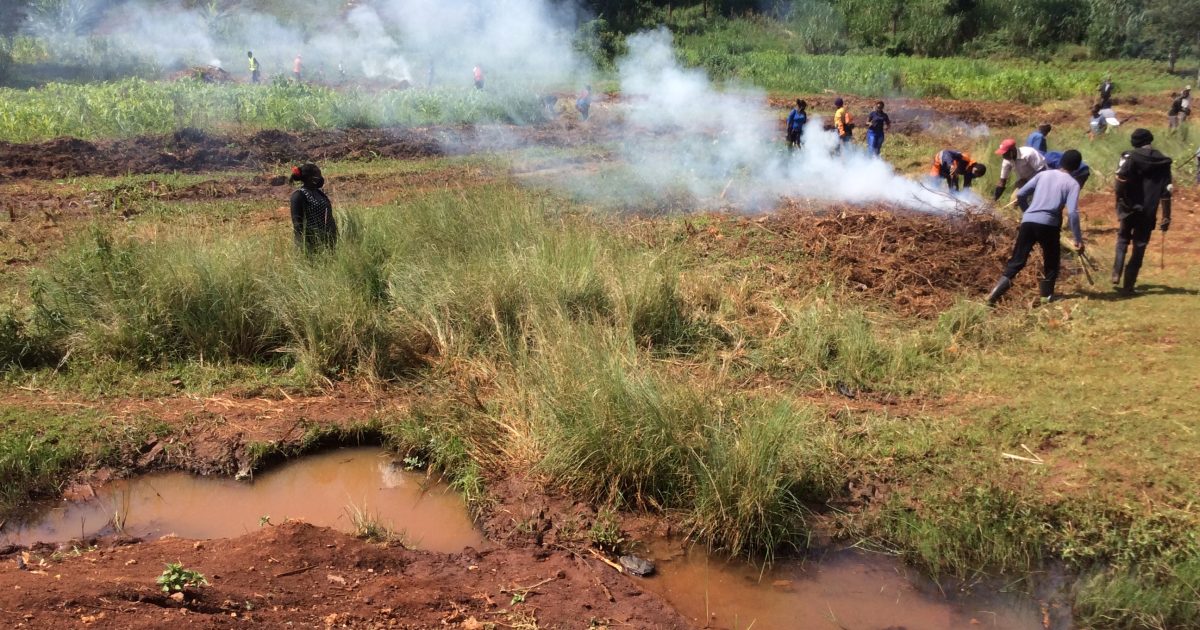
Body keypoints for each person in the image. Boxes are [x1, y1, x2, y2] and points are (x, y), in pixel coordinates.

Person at [985, 149, 1085, 306]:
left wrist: (1027, 211)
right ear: (1077, 167)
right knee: (1051, 261)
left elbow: (1021, 195)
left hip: (1028, 222)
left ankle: (993, 295)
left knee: (1017, 260)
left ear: (1061, 162)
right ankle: (1046, 297)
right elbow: (1072, 213)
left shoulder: (1043, 175)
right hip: (1049, 225)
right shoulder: (1072, 184)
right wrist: (1078, 239)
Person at [1112, 129, 1173, 294]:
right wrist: (1166, 216)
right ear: (1150, 140)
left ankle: (1116, 272)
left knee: (1123, 238)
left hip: (1128, 207)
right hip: (1148, 211)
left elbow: (1120, 179)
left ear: (1135, 142)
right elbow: (1166, 192)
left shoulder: (1129, 157)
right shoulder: (1163, 161)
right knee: (1139, 245)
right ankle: (1128, 285)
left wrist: (1119, 199)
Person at [290, 163, 337, 252]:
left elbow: (329, 217)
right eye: (318, 175)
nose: (320, 178)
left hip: (326, 242)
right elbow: (297, 224)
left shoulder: (320, 194)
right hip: (310, 244)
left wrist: (333, 236)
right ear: (309, 178)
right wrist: (304, 246)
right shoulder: (299, 195)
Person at [993, 138, 1047, 210]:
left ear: (1012, 151)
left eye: (1005, 153)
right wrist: (993, 200)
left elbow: (1042, 171)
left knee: (1035, 201)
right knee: (1014, 201)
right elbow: (1002, 181)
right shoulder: (1007, 160)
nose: (1003, 156)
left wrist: (1033, 188)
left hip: (1040, 179)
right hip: (1023, 180)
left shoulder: (1029, 153)